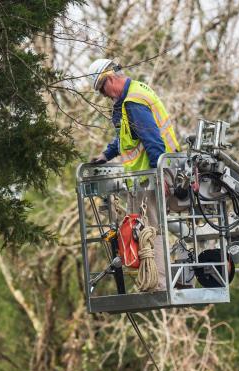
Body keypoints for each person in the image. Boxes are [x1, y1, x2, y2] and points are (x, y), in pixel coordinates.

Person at [88, 58, 181, 291]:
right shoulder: (129, 97)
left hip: (153, 173)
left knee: (150, 228)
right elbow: (126, 137)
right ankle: (161, 277)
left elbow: (152, 141)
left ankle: (159, 283)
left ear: (109, 79)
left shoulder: (133, 102)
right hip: (144, 176)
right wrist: (105, 155)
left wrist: (159, 176)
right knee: (140, 227)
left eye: (102, 90)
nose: (104, 95)